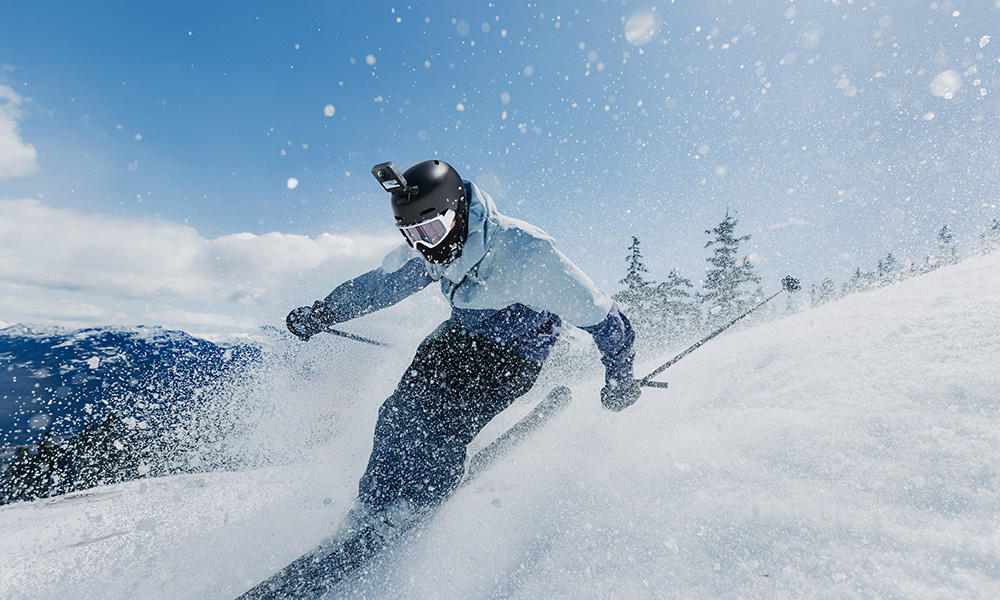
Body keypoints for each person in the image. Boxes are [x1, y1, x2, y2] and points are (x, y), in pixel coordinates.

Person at [285, 159, 639, 543]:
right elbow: (381, 286)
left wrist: (620, 376)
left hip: (516, 355)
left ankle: (416, 503)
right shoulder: (433, 249)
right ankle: (372, 505)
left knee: (438, 430)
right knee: (396, 416)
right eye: (412, 234)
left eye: (432, 230)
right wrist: (326, 312)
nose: (424, 246)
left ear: (458, 213)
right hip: (461, 334)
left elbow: (603, 315)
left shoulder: (526, 253)